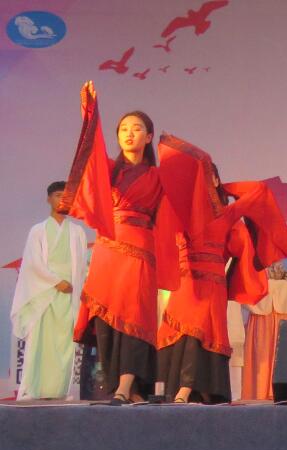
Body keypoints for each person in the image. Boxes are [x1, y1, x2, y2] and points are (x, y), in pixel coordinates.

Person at [58, 82, 203, 405]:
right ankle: (127, 389)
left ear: (148, 137)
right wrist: (90, 112)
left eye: (136, 129)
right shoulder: (109, 170)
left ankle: (125, 385)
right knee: (106, 322)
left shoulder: (158, 176)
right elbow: (90, 155)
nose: (129, 134)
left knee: (134, 318)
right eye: (123, 129)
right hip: (107, 250)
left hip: (139, 252)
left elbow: (192, 176)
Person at [155, 157, 287, 404]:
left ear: (217, 180)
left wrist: (226, 190)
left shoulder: (227, 213)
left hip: (211, 283)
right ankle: (180, 391)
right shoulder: (183, 212)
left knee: (200, 330)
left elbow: (258, 191)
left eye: (209, 177)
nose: (203, 184)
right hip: (185, 281)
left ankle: (186, 390)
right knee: (179, 332)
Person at [10, 181, 88, 400]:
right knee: (40, 344)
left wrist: (74, 285)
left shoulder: (77, 232)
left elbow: (82, 266)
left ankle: (61, 391)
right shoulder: (38, 231)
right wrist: (55, 282)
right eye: (57, 195)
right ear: (48, 199)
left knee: (65, 345)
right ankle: (34, 390)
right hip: (45, 294)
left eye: (65, 196)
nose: (61, 200)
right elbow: (33, 263)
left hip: (69, 295)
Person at [242, 262, 287, 401]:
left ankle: (278, 391)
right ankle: (259, 392)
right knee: (261, 354)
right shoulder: (253, 271)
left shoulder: (286, 274)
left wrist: (275, 283)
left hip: (280, 318)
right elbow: (246, 289)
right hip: (260, 319)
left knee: (279, 354)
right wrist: (277, 285)